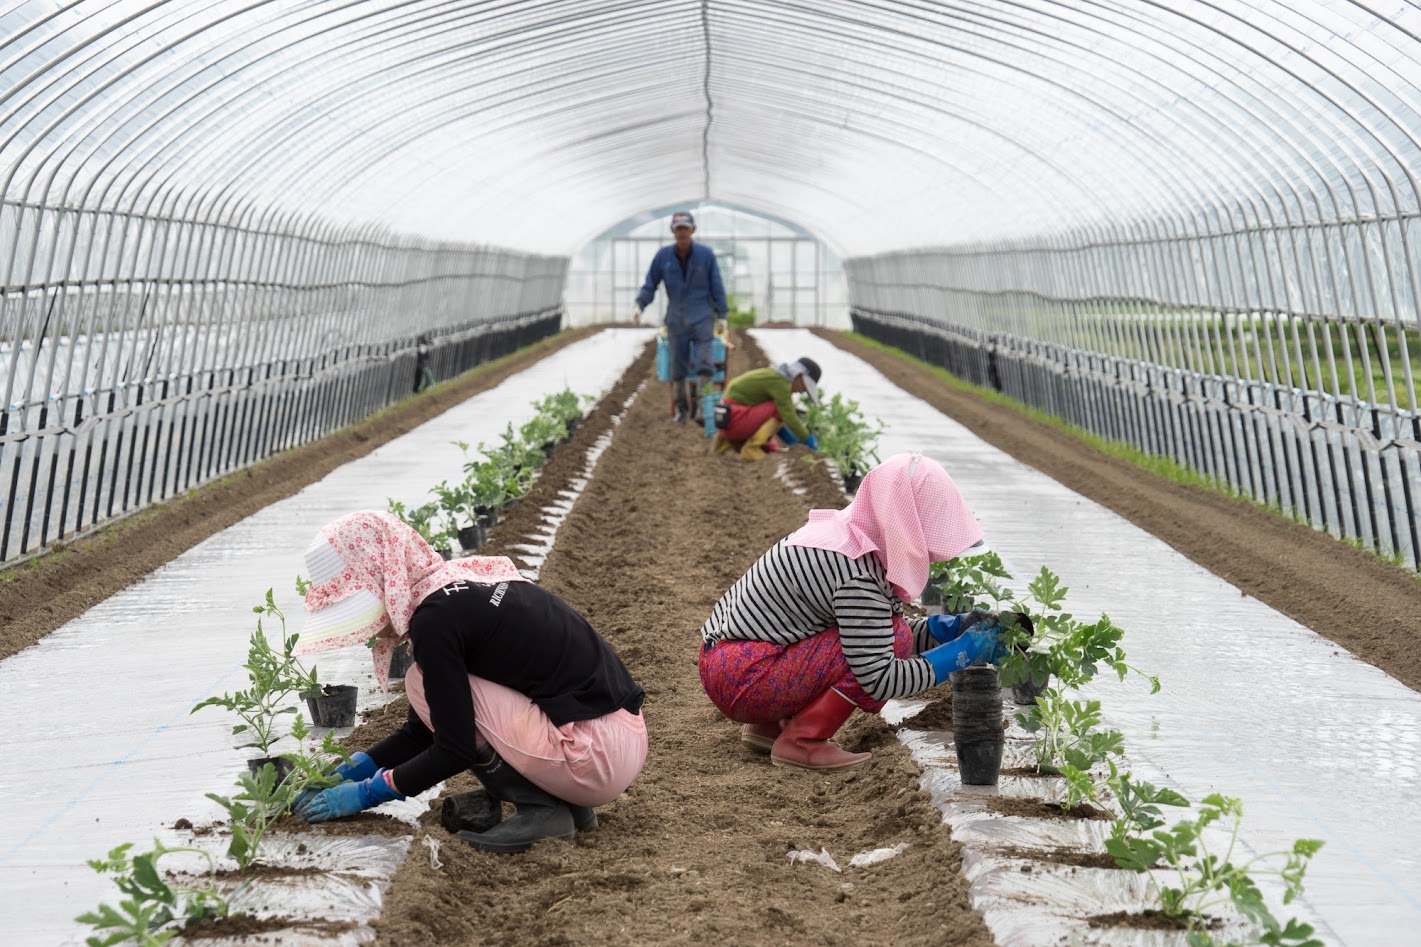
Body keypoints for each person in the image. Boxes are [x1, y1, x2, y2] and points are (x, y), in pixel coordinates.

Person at [289, 511, 648, 853]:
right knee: (432, 693)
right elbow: (421, 731)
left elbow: (453, 748)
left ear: (379, 580)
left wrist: (368, 792)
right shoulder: (460, 587)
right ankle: (568, 804)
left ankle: (543, 810)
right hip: (618, 741)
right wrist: (350, 770)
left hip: (593, 758)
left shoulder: (435, 622)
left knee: (418, 681)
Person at [697, 453, 1012, 771]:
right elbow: (880, 677)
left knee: (891, 634)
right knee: (893, 642)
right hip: (745, 680)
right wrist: (964, 651)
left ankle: (768, 726)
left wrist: (946, 629)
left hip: (730, 664)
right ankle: (802, 741)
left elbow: (865, 628)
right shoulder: (857, 574)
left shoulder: (847, 536)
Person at [633, 211, 728, 424]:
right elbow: (650, 284)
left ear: (693, 230)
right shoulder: (663, 257)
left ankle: (703, 408)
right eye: (678, 229)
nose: (682, 233)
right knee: (678, 366)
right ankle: (683, 411)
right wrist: (640, 304)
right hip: (676, 319)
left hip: (702, 317)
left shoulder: (706, 255)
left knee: (705, 363)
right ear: (672, 231)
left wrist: (722, 314)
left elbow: (717, 286)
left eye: (686, 229)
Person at [710, 357, 823, 461]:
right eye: (804, 387)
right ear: (798, 376)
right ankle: (751, 450)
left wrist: (773, 447)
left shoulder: (774, 376)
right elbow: (789, 417)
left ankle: (725, 444)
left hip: (726, 421)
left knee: (777, 410)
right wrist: (808, 440)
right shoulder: (781, 384)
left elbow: (767, 421)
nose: (802, 391)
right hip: (734, 421)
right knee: (779, 410)